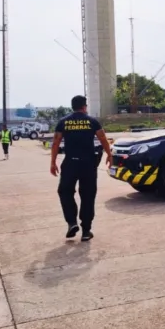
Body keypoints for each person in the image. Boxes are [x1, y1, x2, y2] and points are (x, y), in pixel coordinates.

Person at [49, 95, 113, 241]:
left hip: (70, 163)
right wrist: (109, 155)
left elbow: (56, 143)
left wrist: (53, 162)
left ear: (72, 107)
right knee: (88, 196)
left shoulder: (63, 122)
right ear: (84, 107)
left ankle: (71, 222)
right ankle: (86, 231)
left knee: (65, 191)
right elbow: (103, 138)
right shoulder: (92, 121)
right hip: (88, 164)